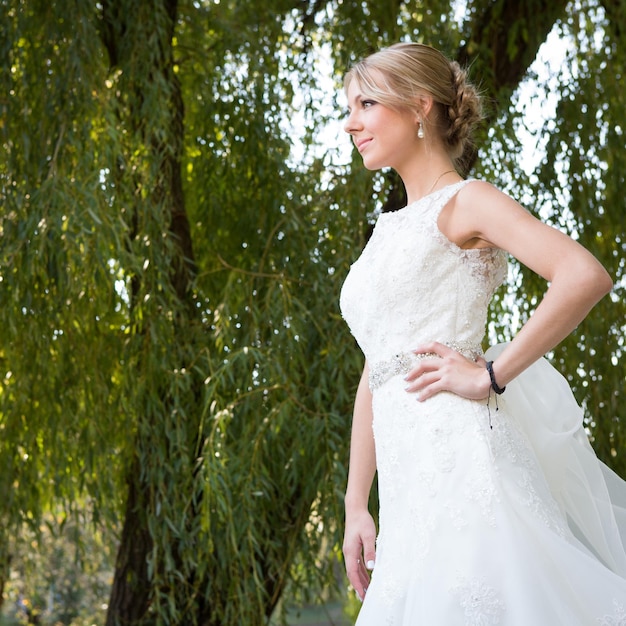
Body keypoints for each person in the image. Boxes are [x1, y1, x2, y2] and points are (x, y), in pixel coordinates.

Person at [339, 42, 626, 624]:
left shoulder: (468, 202)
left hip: (465, 465)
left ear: (419, 107)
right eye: (350, 108)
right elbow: (378, 365)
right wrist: (354, 503)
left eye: (366, 103)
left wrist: (490, 374)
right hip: (408, 493)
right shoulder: (387, 230)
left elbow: (583, 274)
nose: (351, 123)